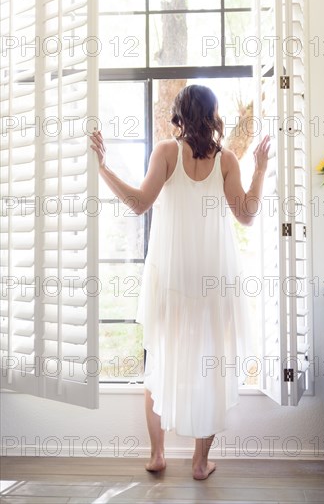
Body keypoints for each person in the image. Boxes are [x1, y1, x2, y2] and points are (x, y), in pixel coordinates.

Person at [89, 84, 270, 480]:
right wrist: (259, 170)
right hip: (213, 281)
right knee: (211, 366)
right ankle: (200, 463)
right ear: (213, 116)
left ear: (179, 116)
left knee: (157, 362)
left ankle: (157, 455)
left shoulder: (166, 152)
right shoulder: (226, 161)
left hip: (170, 279)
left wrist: (103, 168)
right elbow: (247, 216)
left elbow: (138, 204)